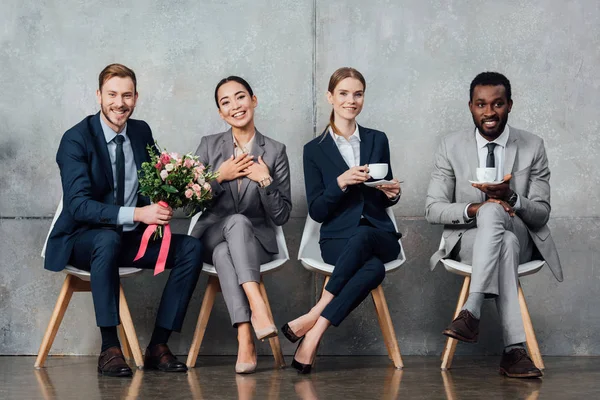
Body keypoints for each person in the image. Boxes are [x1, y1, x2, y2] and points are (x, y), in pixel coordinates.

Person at [45, 64, 204, 377]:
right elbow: (78, 206)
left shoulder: (141, 131)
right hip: (83, 239)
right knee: (107, 238)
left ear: (136, 98)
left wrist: (182, 190)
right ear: (99, 96)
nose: (120, 102)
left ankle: (158, 346)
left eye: (127, 95)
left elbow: (157, 182)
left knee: (192, 248)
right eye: (112, 94)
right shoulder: (76, 139)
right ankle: (109, 348)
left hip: (130, 240)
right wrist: (138, 214)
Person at [425, 71, 563, 378]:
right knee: (496, 227)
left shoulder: (533, 146)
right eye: (481, 104)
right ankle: (514, 351)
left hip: (520, 233)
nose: (489, 112)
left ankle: (472, 310)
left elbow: (541, 214)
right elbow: (433, 209)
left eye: (497, 104)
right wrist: (476, 207)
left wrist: (512, 197)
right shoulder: (450, 146)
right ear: (471, 107)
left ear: (509, 105)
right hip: (469, 241)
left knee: (504, 228)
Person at [282, 67, 402, 374]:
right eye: (344, 93)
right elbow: (318, 211)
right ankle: (314, 336)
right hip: (337, 240)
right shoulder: (314, 150)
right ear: (330, 97)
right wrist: (340, 183)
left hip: (380, 234)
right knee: (373, 269)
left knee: (364, 237)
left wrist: (392, 193)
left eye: (358, 94)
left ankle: (314, 315)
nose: (351, 100)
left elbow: (383, 190)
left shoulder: (378, 139)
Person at [191, 76, 291, 374]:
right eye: (226, 102)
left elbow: (282, 216)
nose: (235, 106)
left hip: (254, 242)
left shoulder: (275, 150)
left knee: (226, 253)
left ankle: (245, 337)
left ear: (253, 100)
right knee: (231, 226)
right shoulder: (208, 146)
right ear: (221, 113)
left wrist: (265, 181)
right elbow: (189, 203)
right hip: (210, 233)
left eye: (240, 97)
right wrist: (219, 177)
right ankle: (257, 305)